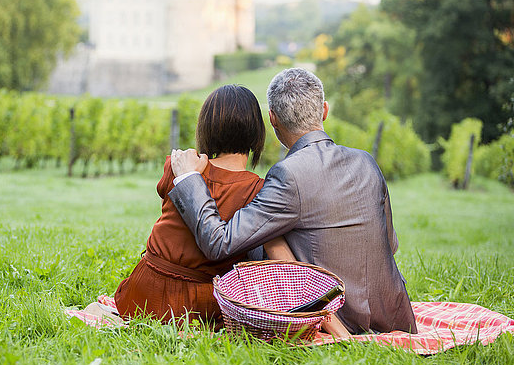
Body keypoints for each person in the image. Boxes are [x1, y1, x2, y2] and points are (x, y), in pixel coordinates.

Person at [169, 68, 417, 335]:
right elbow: (389, 244)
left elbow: (219, 242)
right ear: (324, 110)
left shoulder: (288, 175)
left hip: (338, 318)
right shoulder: (366, 162)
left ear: (273, 120)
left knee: (265, 237)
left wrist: (188, 179)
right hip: (395, 316)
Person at [113, 84, 294, 328]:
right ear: (256, 132)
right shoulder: (257, 190)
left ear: (206, 128)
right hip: (196, 306)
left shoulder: (178, 167)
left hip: (141, 293)